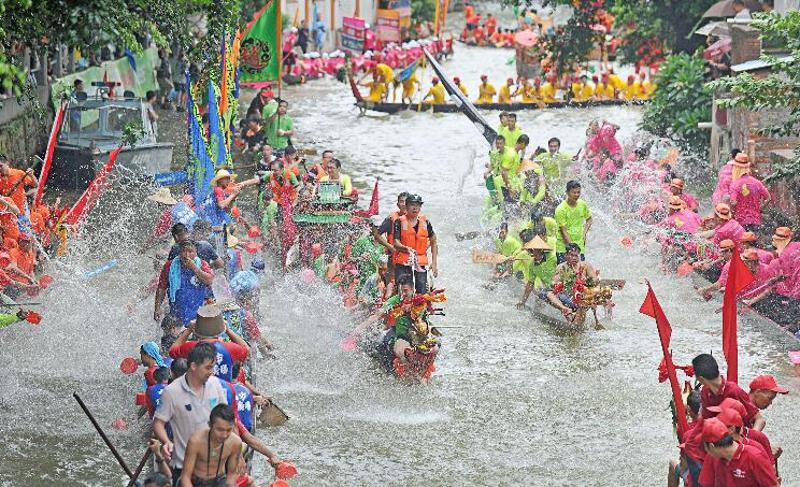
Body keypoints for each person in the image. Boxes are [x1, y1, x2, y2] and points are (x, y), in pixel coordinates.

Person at [153, 343, 230, 485]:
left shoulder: (216, 385)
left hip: (215, 468)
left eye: (212, 367)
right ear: (193, 366)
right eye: (208, 367)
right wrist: (167, 441)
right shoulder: (172, 392)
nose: (211, 372)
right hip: (184, 467)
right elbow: (158, 423)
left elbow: (227, 419)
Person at [169, 304, 250, 383]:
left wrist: (188, 330)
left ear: (196, 329)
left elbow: (172, 351)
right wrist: (228, 331)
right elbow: (246, 349)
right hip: (224, 392)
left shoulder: (191, 347)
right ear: (221, 328)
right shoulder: (230, 348)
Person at [690, 353, 765, 430]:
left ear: (701, 379)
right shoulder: (705, 392)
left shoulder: (734, 390)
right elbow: (706, 420)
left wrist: (751, 438)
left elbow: (760, 420)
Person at [697, 418, 778, 487]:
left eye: (705, 448)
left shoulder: (754, 456)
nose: (706, 452)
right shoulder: (718, 461)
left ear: (711, 446)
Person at [154, 241, 215, 326]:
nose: (186, 255)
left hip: (198, 313)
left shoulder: (202, 264)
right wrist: (157, 308)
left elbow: (209, 281)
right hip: (176, 313)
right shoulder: (170, 266)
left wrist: (194, 268)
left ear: (195, 253)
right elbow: (161, 288)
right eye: (184, 251)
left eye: (190, 252)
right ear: (179, 253)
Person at [179, 404, 241, 487]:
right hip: (195, 482)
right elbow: (185, 477)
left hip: (219, 481)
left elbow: (232, 474)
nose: (224, 435)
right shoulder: (196, 441)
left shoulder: (236, 442)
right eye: (220, 429)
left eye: (229, 430)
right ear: (210, 424)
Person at [393, 194, 437, 294]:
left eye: (418, 205)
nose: (415, 208)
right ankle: (403, 304)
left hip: (420, 262)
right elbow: (396, 243)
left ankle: (422, 307)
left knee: (422, 291)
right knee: (406, 290)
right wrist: (406, 248)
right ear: (406, 206)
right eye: (412, 205)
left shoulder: (426, 222)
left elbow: (434, 240)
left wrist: (434, 263)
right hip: (403, 262)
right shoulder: (399, 222)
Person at [546, 243, 597, 319]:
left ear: (579, 256)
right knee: (549, 294)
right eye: (571, 255)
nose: (574, 258)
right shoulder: (561, 267)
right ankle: (564, 309)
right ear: (566, 255)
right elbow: (554, 284)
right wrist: (558, 284)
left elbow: (595, 281)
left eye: (576, 255)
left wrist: (584, 280)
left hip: (583, 296)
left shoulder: (585, 266)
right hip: (567, 297)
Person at [728, 157, 770, 233]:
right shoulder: (757, 183)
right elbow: (768, 198)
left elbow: (733, 202)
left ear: (736, 169)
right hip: (755, 221)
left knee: (743, 243)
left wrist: (731, 212)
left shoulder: (735, 185)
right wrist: (759, 208)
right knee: (754, 243)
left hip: (740, 221)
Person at [554, 181, 592, 263]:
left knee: (579, 274)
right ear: (567, 193)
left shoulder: (582, 204)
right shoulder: (561, 209)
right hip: (564, 249)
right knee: (565, 274)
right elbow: (563, 231)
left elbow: (589, 219)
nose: (576, 195)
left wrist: (584, 233)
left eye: (578, 192)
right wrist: (572, 249)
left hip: (579, 247)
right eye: (573, 192)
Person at [516, 236, 557, 309]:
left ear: (540, 250)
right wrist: (522, 302)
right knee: (541, 295)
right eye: (529, 250)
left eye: (531, 250)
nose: (529, 252)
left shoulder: (553, 258)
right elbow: (530, 284)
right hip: (548, 290)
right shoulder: (532, 265)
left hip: (560, 286)